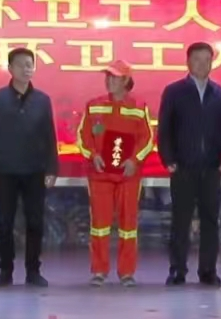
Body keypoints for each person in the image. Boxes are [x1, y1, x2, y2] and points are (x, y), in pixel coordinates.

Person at [158, 42, 221, 287]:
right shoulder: (174, 91)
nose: (202, 64)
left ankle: (208, 270)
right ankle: (177, 270)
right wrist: (168, 159)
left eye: (207, 60)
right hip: (182, 167)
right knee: (180, 221)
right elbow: (164, 129)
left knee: (210, 221)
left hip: (212, 167)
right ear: (188, 62)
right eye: (197, 59)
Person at [0, 48, 58, 288]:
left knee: (35, 222)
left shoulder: (43, 100)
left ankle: (33, 270)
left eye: (30, 64)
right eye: (21, 64)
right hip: (4, 169)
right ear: (10, 68)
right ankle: (5, 270)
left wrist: (52, 168)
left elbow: (49, 135)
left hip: (35, 169)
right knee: (4, 222)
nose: (26, 69)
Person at [76, 60, 154, 287]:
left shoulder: (139, 107)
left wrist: (135, 160)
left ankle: (126, 272)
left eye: (115, 77)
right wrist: (93, 155)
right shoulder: (94, 105)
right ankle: (99, 270)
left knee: (128, 226)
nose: (109, 80)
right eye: (107, 76)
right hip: (100, 175)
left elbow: (147, 138)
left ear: (126, 80)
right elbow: (83, 136)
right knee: (99, 225)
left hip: (128, 176)